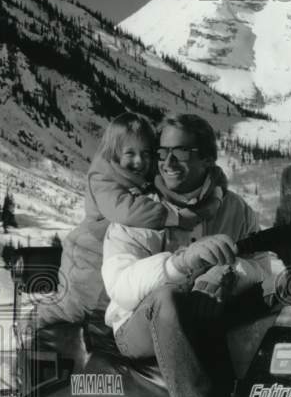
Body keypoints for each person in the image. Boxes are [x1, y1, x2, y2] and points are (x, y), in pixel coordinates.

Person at [101, 114, 269, 397]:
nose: (167, 163)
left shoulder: (235, 209)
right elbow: (120, 286)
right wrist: (182, 263)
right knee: (167, 298)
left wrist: (226, 273)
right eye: (161, 154)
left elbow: (264, 268)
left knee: (267, 303)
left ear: (207, 158)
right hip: (137, 325)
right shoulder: (139, 212)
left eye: (180, 152)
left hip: (208, 313)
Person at [37, 110, 227, 327]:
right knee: (74, 308)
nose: (139, 161)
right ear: (115, 152)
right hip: (88, 253)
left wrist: (216, 192)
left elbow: (206, 172)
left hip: (115, 252)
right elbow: (127, 212)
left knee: (104, 308)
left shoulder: (141, 171)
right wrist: (174, 217)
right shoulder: (102, 178)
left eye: (146, 154)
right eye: (130, 154)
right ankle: (35, 325)